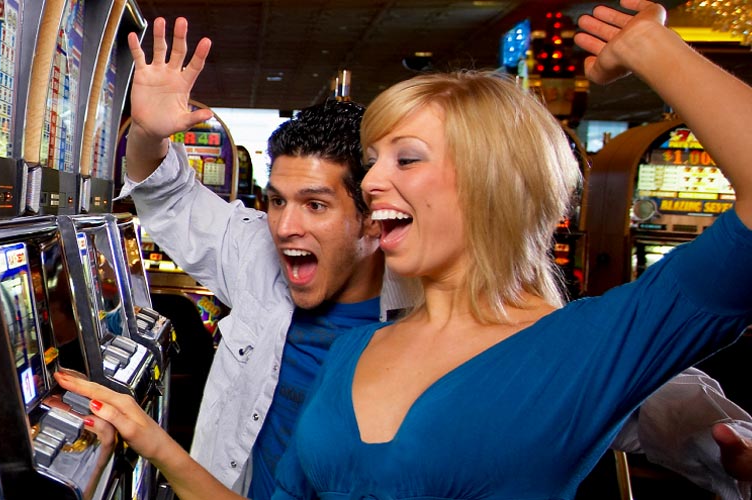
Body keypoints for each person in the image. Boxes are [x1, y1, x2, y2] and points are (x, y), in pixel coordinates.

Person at [58, 3, 752, 497]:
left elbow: (663, 398)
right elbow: (169, 196)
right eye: (374, 160)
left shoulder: (567, 339)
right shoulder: (352, 355)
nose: (377, 178)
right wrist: (152, 441)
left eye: (405, 159)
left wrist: (652, 49)